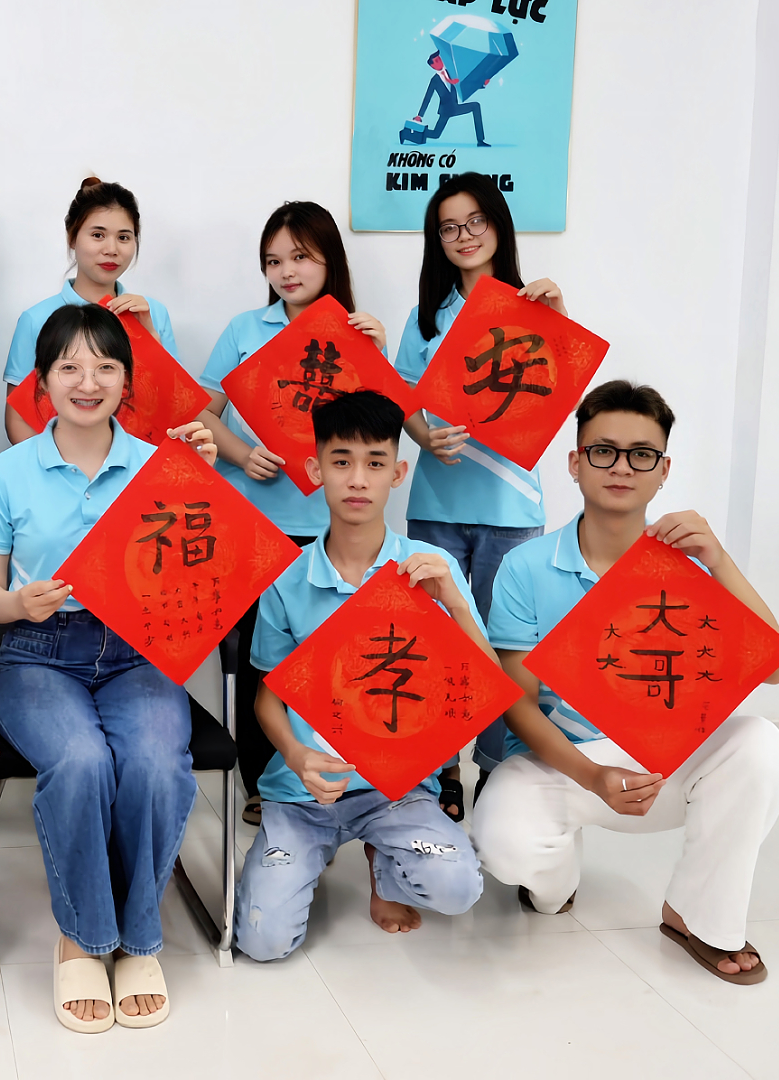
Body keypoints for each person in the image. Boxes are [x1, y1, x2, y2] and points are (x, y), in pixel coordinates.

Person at [473, 381, 779, 985]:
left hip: (665, 760)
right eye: (604, 451)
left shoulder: (687, 558)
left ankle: (699, 916)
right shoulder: (526, 565)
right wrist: (592, 775)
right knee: (503, 843)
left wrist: (719, 560)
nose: (621, 467)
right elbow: (518, 702)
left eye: (641, 454)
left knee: (762, 747)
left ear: (663, 470)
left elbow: (776, 667)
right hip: (564, 764)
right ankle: (555, 885)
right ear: (575, 462)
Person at [0, 303, 217, 1033]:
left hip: (137, 653)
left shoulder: (157, 464)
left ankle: (138, 937)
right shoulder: (7, 473)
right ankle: (81, 936)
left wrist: (200, 483)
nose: (87, 381)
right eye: (69, 367)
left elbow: (202, 571)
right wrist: (17, 603)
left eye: (105, 366)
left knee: (155, 765)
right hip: (38, 654)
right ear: (42, 382)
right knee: (80, 762)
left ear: (126, 381)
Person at [234, 391, 487, 961]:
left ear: (397, 474)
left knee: (458, 889)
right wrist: (296, 756)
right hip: (303, 791)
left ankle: (384, 869)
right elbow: (267, 698)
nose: (357, 479)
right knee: (263, 942)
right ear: (314, 470)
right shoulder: (288, 579)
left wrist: (453, 602)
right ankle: (307, 853)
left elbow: (487, 686)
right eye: (341, 461)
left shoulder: (429, 567)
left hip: (399, 789)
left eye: (375, 463)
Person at [194, 200, 392, 829]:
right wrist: (241, 453)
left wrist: (379, 354)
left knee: (336, 659)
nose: (286, 271)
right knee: (262, 660)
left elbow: (382, 434)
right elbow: (202, 413)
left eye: (300, 257)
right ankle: (262, 783)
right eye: (273, 261)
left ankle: (352, 775)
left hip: (330, 526)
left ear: (330, 259)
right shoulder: (244, 329)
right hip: (250, 524)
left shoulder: (356, 332)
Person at [393, 172, 568, 819]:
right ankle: (441, 770)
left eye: (475, 221)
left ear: (498, 225)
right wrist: (424, 436)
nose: (463, 235)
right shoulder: (427, 316)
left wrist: (559, 315)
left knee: (502, 652)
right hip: (437, 504)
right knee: (437, 643)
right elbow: (402, 395)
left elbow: (559, 385)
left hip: (510, 507)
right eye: (449, 227)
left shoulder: (532, 305)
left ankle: (498, 770)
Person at [5, 177, 176, 444]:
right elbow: (18, 420)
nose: (111, 250)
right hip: (57, 463)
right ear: (72, 238)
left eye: (124, 237)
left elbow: (172, 407)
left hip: (136, 463)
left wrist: (151, 344)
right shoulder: (36, 319)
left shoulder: (152, 313)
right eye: (98, 235)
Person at [412, 51, 491, 147]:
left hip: (455, 107)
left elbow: (465, 83)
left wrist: (482, 84)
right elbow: (427, 98)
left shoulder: (451, 73)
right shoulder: (434, 80)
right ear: (433, 66)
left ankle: (480, 140)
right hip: (445, 110)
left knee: (475, 106)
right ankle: (414, 132)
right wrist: (420, 115)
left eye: (439, 58)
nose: (440, 61)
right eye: (437, 61)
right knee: (435, 134)